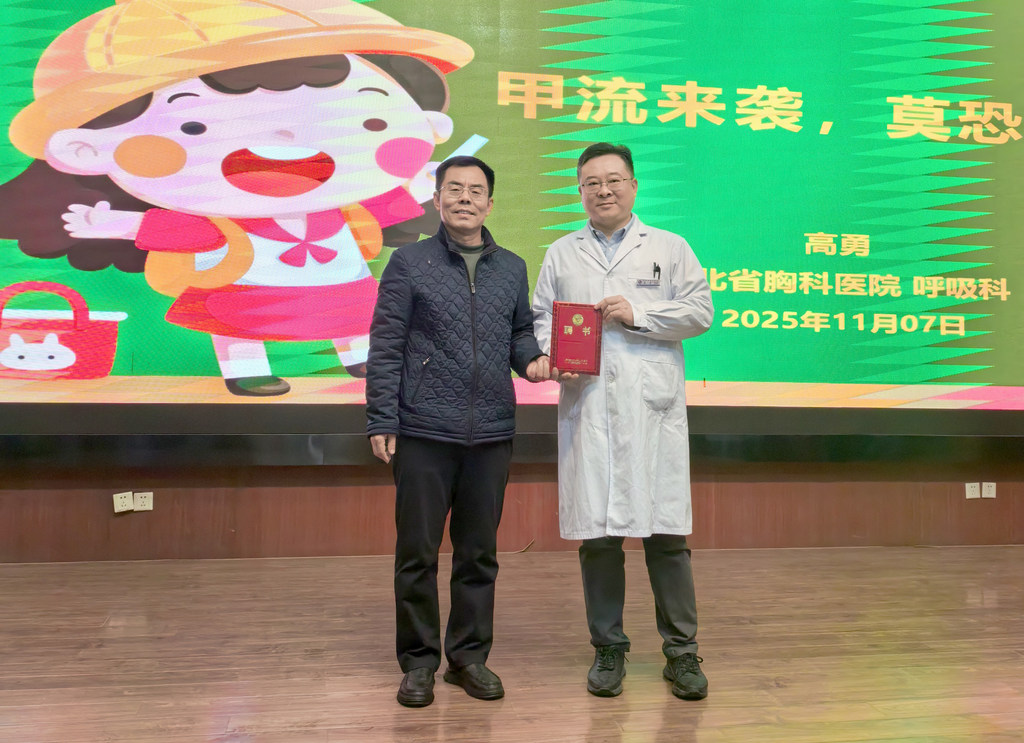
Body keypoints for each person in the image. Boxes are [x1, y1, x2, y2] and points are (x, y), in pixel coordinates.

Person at [532, 142, 714, 700]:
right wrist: (553, 354)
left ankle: (682, 652)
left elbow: (700, 311)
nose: (603, 190)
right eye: (591, 182)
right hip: (588, 408)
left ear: (633, 186)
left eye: (613, 180)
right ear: (580, 190)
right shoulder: (561, 252)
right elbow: (541, 317)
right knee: (599, 537)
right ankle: (608, 648)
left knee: (666, 535)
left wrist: (640, 314)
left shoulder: (669, 247)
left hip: (651, 411)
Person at [366, 155, 550, 707]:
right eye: (454, 189)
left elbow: (519, 335)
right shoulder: (408, 262)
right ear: (437, 199)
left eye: (475, 190)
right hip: (423, 430)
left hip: (491, 431)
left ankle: (468, 658)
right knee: (417, 554)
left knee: (478, 554)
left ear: (490, 204)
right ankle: (419, 662)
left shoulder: (512, 267)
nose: (465, 198)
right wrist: (382, 418)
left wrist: (534, 362)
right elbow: (386, 344)